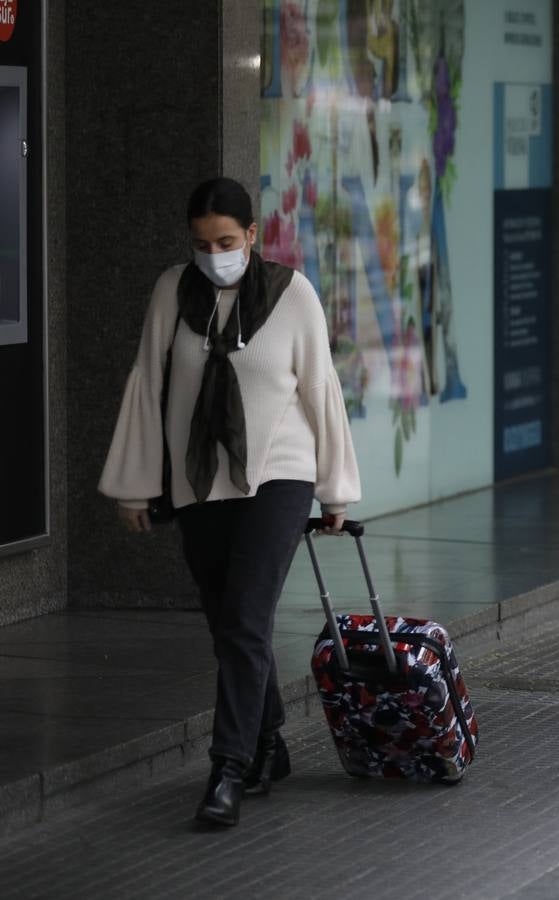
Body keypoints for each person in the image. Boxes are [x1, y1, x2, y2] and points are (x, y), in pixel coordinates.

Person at [100, 177, 361, 827]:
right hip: (199, 480)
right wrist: (136, 482)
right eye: (200, 243)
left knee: (245, 620)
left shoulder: (291, 295)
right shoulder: (173, 291)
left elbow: (320, 390)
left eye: (225, 240)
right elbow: (148, 382)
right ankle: (268, 741)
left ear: (252, 234)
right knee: (227, 623)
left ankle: (230, 767)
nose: (214, 253)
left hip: (278, 474)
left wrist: (335, 488)